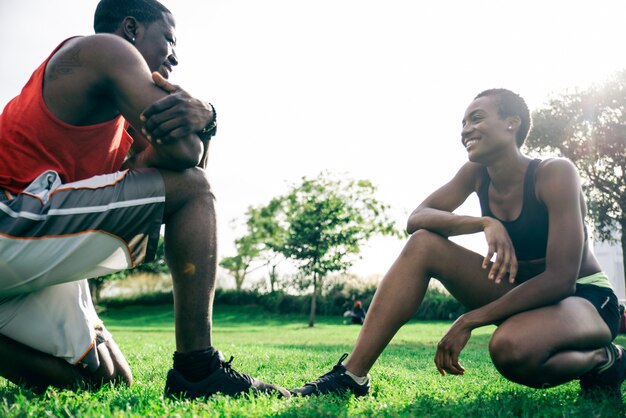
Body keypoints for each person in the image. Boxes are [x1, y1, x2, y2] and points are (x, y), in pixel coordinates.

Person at [0, 0, 289, 399]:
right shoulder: (104, 49)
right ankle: (197, 370)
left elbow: (186, 161)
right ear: (132, 28)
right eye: (169, 39)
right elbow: (190, 173)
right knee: (195, 191)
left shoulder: (123, 126)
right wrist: (207, 114)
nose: (175, 55)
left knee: (109, 380)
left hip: (25, 241)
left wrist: (203, 123)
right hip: (9, 217)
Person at [291, 89, 624, 399]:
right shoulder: (475, 173)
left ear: (512, 123)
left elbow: (560, 278)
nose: (465, 130)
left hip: (584, 298)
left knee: (510, 350)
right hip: (521, 292)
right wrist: (483, 222)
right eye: (463, 123)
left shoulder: (554, 173)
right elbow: (417, 218)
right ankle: (352, 377)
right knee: (423, 244)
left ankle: (604, 357)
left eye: (476, 119)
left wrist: (469, 320)